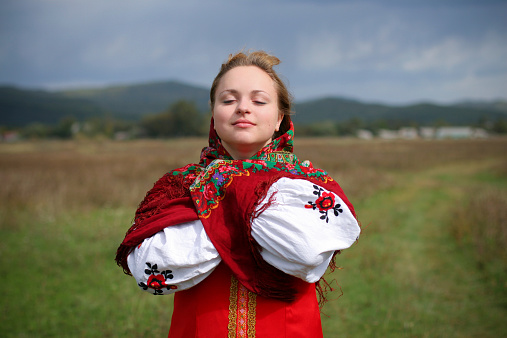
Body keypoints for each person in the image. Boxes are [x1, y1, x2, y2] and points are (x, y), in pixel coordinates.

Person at [116, 50, 361, 337]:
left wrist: (214, 210)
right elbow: (152, 268)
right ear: (214, 113)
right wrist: (244, 210)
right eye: (229, 100)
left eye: (259, 100)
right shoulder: (179, 187)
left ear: (280, 117)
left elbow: (304, 253)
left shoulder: (308, 185)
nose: (243, 108)